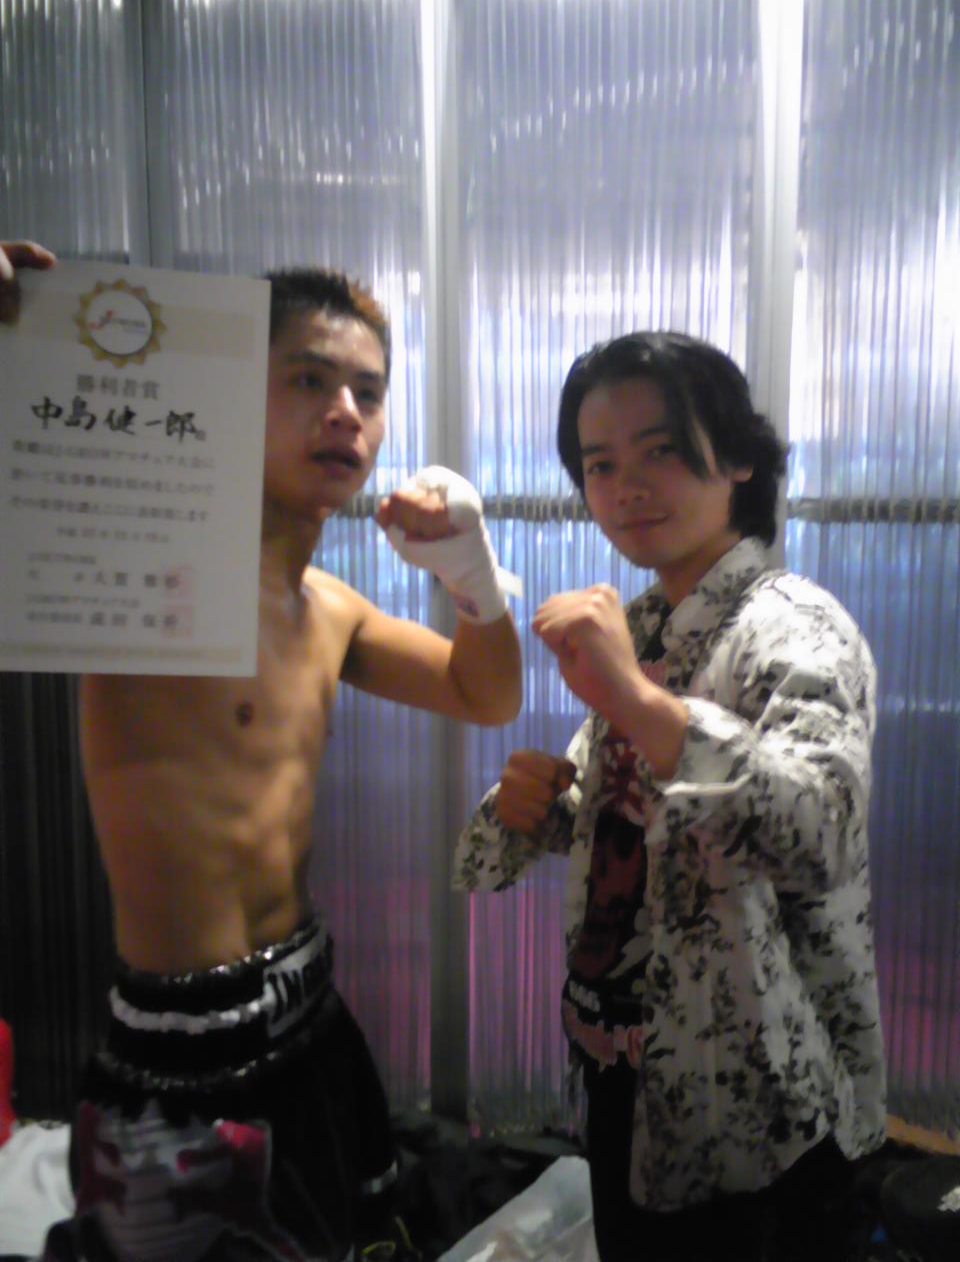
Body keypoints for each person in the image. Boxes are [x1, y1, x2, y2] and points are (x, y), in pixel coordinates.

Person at [1, 239, 523, 1262]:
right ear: (231, 393)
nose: (346, 412)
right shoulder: (134, 565)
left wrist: (471, 571)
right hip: (176, 1050)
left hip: (312, 1015)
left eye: (368, 391)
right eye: (309, 380)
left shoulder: (331, 607)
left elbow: (486, 693)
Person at [454, 332, 887, 1262]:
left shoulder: (797, 627)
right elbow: (618, 817)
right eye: (599, 464)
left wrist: (637, 700)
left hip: (755, 1105)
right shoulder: (645, 623)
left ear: (738, 458)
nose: (626, 487)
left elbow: (821, 831)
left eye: (660, 450)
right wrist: (529, 807)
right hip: (625, 1065)